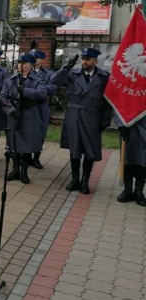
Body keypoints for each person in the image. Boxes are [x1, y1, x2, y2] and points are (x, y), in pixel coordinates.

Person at [53, 47, 111, 194]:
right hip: (75, 117)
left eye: (88, 59)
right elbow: (54, 80)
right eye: (83, 59)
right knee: (75, 149)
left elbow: (108, 101)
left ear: (95, 61)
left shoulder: (104, 77)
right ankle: (74, 179)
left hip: (92, 117)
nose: (84, 62)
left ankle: (85, 181)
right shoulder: (72, 74)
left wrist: (105, 121)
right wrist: (66, 67)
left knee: (89, 151)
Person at [0, 54, 47, 184]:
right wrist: (11, 110)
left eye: (25, 63)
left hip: (29, 116)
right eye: (19, 63)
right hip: (14, 116)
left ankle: (24, 172)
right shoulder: (10, 80)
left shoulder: (37, 80)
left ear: (31, 65)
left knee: (26, 147)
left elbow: (42, 94)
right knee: (14, 145)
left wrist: (25, 90)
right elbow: (2, 98)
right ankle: (15, 170)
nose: (21, 65)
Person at [28, 49, 56, 169]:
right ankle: (26, 156)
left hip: (40, 106)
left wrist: (38, 89)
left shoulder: (49, 74)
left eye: (36, 58)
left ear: (41, 60)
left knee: (40, 132)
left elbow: (52, 89)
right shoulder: (25, 71)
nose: (34, 61)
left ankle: (36, 157)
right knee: (27, 131)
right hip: (28, 105)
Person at [116, 116, 146, 206]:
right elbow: (118, 106)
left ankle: (138, 192)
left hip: (144, 125)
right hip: (127, 126)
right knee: (127, 157)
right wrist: (121, 125)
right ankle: (127, 190)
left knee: (143, 158)